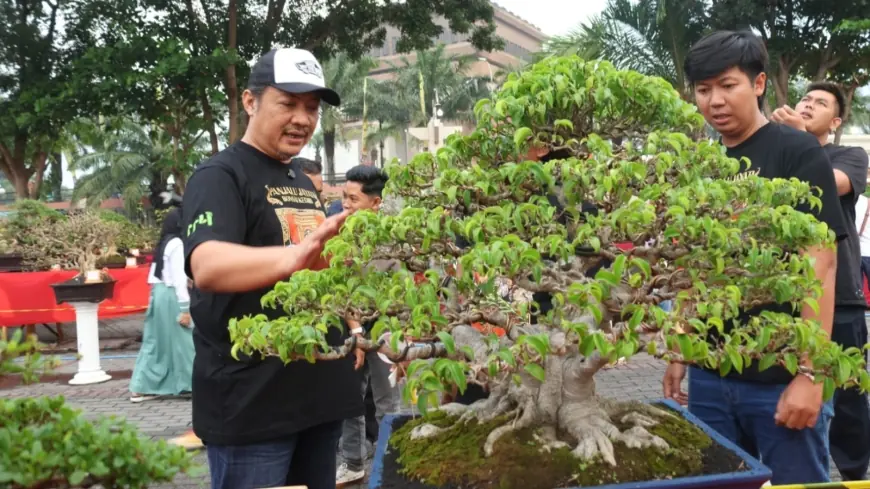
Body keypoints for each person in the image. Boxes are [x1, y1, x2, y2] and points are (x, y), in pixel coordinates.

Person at [662, 30, 847, 485]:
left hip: (780, 378)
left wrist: (811, 373)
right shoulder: (699, 166)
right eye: (703, 90)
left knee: (796, 483)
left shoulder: (797, 152)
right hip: (711, 371)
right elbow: (693, 266)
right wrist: (679, 347)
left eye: (728, 85)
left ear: (759, 84)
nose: (715, 101)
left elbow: (820, 265)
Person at [181, 47, 360, 489]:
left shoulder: (299, 179)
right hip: (254, 405)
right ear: (250, 102)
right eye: (288, 103)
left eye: (312, 108)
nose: (302, 118)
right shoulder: (220, 176)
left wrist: (355, 322)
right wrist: (293, 257)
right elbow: (207, 264)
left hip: (319, 392)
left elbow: (319, 264)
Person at [772, 82, 870, 481]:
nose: (809, 105)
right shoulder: (776, 152)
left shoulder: (850, 155)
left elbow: (829, 185)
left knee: (848, 396)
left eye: (821, 103)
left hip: (840, 295)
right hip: (781, 295)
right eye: (805, 99)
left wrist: (797, 138)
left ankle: (853, 474)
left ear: (836, 120)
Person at [336, 165, 399, 487]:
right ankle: (352, 462)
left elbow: (403, 290)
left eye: (353, 198)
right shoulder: (336, 233)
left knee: (388, 400)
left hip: (385, 328)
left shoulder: (393, 236)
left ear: (376, 202)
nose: (345, 204)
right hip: (350, 328)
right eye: (343, 197)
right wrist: (356, 329)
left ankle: (389, 461)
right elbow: (337, 287)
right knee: (350, 399)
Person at [129, 207, 195, 403]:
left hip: (159, 294)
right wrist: (185, 309)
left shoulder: (165, 243)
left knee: (156, 342)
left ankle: (141, 387)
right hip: (171, 296)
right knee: (185, 341)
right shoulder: (177, 245)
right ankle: (193, 384)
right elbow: (179, 279)